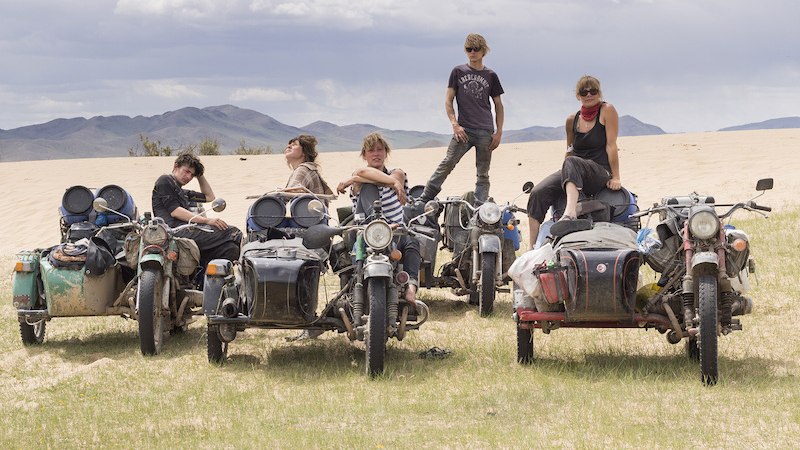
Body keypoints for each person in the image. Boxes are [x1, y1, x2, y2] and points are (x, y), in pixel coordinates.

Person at [525, 75, 621, 248]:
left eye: (593, 91)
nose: (589, 94)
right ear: (578, 96)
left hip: (599, 171)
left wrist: (616, 177)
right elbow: (569, 149)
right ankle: (532, 247)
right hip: (574, 168)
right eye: (584, 92)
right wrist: (565, 174)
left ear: (599, 92)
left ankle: (569, 214)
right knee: (538, 192)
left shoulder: (607, 110)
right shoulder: (572, 120)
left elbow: (611, 146)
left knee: (572, 163)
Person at [417, 33, 504, 204]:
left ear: (483, 51)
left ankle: (479, 206)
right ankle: (425, 197)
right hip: (464, 129)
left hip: (485, 130)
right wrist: (455, 125)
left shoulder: (491, 75)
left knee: (483, 172)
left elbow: (498, 105)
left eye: (476, 49)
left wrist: (499, 131)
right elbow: (448, 100)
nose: (472, 53)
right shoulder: (458, 72)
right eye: (469, 49)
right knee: (448, 162)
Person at [337, 132, 421, 305]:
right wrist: (356, 177)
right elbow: (362, 172)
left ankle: (411, 287)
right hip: (368, 234)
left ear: (386, 153)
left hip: (395, 231)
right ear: (364, 155)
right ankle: (358, 286)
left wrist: (394, 182)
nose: (376, 154)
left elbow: (393, 178)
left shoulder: (397, 173)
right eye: (371, 150)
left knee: (413, 242)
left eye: (380, 150)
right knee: (367, 187)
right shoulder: (360, 177)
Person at [152, 153, 242, 272]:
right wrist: (207, 221)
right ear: (176, 166)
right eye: (186, 171)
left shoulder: (182, 192)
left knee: (231, 249)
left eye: (192, 175)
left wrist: (200, 175)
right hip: (173, 232)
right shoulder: (165, 180)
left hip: (187, 231)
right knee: (233, 232)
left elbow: (210, 197)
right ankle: (247, 273)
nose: (188, 177)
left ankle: (207, 282)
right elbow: (175, 211)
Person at [283, 134, 334, 201]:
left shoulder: (302, 170)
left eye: (294, 145)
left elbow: (287, 196)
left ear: (304, 151)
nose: (289, 146)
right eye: (289, 145)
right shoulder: (309, 168)